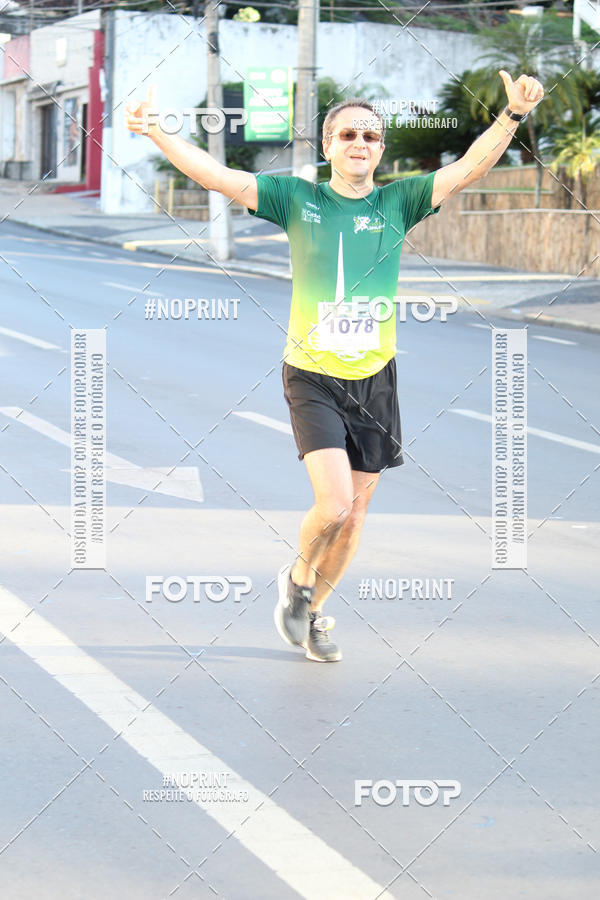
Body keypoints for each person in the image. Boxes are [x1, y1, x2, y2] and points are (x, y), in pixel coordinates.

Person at [125, 70, 544, 663]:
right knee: (336, 505)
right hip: (312, 375)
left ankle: (315, 608)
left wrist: (513, 115)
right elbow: (215, 176)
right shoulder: (298, 199)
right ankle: (296, 580)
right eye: (348, 134)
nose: (360, 144)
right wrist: (157, 134)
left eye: (371, 137)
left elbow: (469, 167)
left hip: (376, 378)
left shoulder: (399, 200)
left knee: (357, 515)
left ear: (380, 150)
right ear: (327, 146)